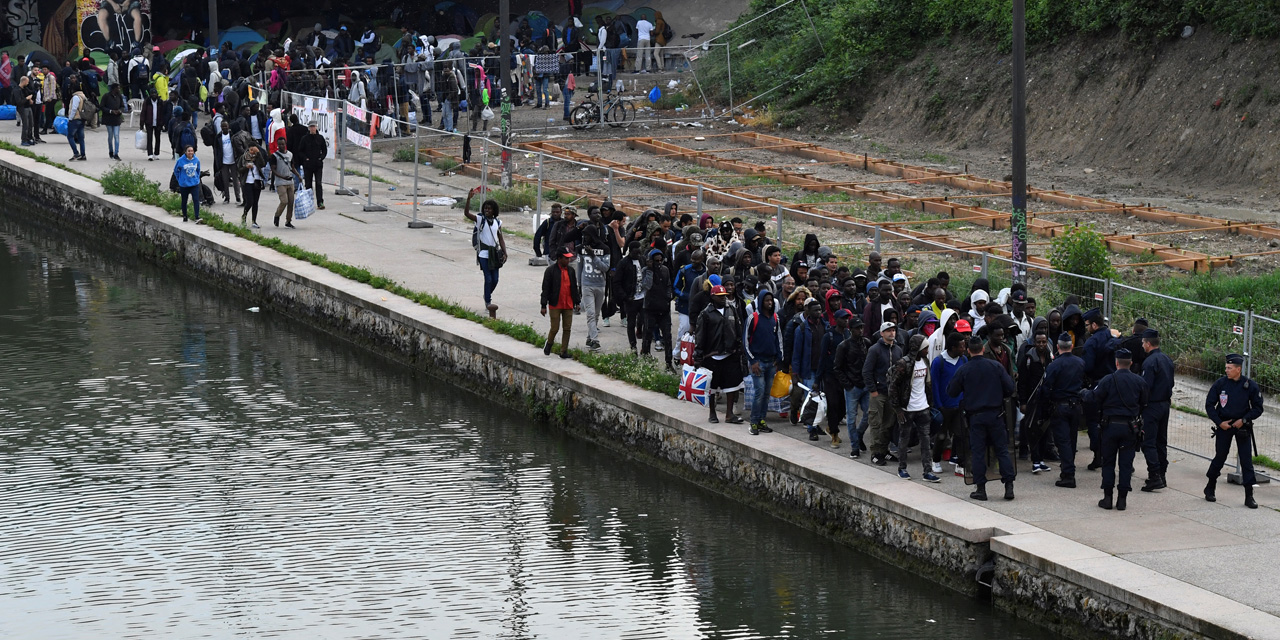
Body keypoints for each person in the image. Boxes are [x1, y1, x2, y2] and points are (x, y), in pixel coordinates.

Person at [947, 336, 1016, 501]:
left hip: (976, 417)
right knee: (1002, 450)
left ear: (969, 351)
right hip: (996, 414)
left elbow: (951, 391)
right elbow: (1010, 388)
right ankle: (1009, 486)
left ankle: (980, 488)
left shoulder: (964, 369)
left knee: (977, 452)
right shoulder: (996, 366)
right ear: (983, 349)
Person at [1084, 349, 1148, 511]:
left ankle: (1107, 498)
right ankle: (1122, 500)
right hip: (1129, 428)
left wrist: (1083, 393)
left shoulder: (1107, 380)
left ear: (1116, 362)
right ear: (1131, 363)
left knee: (1108, 463)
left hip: (1110, 427)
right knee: (1126, 465)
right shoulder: (1139, 381)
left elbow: (1094, 398)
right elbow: (1143, 403)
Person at [1204, 353, 1265, 508]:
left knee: (1246, 461)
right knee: (1220, 457)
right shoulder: (1220, 384)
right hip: (1224, 426)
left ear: (1238, 369)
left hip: (1242, 427)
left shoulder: (1249, 385)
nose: (1227, 370)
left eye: (1230, 368)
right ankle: (1210, 486)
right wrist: (1219, 422)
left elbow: (1258, 408)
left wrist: (1243, 420)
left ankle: (1249, 495)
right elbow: (1209, 405)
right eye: (1226, 367)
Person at [888, 334, 938, 482]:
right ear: (918, 348)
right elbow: (893, 386)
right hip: (907, 408)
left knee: (926, 440)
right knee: (904, 439)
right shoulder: (904, 364)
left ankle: (927, 471)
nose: (928, 350)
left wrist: (930, 403)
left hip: (923, 406)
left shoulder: (925, 361)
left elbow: (927, 384)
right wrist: (897, 409)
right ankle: (902, 468)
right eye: (925, 348)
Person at [1042, 332, 1087, 488]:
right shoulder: (1080, 363)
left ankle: (1068, 474)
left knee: (1063, 441)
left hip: (1060, 406)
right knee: (1072, 440)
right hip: (1076, 406)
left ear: (1057, 347)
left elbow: (1046, 387)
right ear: (1072, 347)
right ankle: (1068, 468)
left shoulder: (1054, 365)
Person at [696, 284, 745, 424]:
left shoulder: (732, 310)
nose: (723, 299)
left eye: (724, 296)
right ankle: (712, 412)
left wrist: (739, 346)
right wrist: (698, 356)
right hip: (712, 355)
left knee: (732, 385)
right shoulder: (706, 313)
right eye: (719, 297)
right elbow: (700, 336)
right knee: (712, 386)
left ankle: (729, 414)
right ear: (712, 297)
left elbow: (738, 328)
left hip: (730, 353)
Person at [743, 289, 783, 435]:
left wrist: (779, 358)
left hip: (771, 363)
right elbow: (745, 341)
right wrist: (752, 360)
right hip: (758, 362)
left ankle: (761, 420)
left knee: (767, 393)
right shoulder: (753, 318)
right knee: (759, 392)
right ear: (761, 301)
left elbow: (779, 339)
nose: (769, 303)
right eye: (766, 300)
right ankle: (753, 422)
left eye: (771, 300)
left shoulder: (775, 318)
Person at [1139, 329, 1174, 492]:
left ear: (1148, 343)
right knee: (1161, 442)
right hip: (1164, 405)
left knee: (1149, 442)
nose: (1142, 346)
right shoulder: (1167, 359)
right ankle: (1162, 474)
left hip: (1152, 407)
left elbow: (1146, 387)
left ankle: (1154, 476)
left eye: (1143, 343)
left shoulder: (1150, 362)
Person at [863, 320, 903, 464]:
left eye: (893, 330)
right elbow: (867, 371)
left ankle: (884, 450)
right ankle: (875, 452)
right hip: (878, 393)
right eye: (888, 331)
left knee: (888, 424)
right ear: (881, 333)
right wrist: (873, 390)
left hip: (892, 394)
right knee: (876, 423)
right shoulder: (875, 349)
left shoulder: (898, 349)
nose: (891, 333)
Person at [930, 331, 968, 476]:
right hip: (944, 406)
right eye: (961, 347)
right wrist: (939, 406)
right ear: (952, 348)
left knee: (960, 434)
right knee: (941, 435)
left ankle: (959, 462)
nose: (964, 349)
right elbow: (934, 385)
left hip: (959, 405)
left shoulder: (963, 360)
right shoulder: (938, 362)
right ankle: (936, 460)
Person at [463, 193, 506, 314]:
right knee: (488, 278)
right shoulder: (480, 219)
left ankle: (486, 294)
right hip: (483, 254)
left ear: (494, 210)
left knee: (495, 279)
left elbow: (501, 238)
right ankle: (488, 301)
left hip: (495, 254)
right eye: (485, 208)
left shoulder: (498, 222)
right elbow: (466, 214)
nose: (487, 210)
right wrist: (468, 200)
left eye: (489, 208)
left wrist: (505, 252)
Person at [834, 316, 870, 458]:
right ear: (851, 330)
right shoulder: (844, 346)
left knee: (869, 415)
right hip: (852, 386)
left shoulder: (866, 343)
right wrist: (848, 385)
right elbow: (837, 368)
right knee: (851, 418)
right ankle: (854, 446)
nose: (860, 330)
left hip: (865, 385)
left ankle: (858, 435)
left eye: (861, 327)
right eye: (857, 328)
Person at [792, 299, 826, 440]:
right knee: (812, 398)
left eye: (820, 309)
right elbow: (797, 352)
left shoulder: (825, 326)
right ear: (808, 312)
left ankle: (816, 424)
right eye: (815, 310)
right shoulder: (801, 329)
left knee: (822, 399)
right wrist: (795, 373)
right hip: (809, 369)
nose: (818, 312)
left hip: (822, 369)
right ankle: (811, 428)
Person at [819, 309, 853, 448]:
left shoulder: (848, 334)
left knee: (843, 406)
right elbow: (822, 357)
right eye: (843, 318)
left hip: (844, 376)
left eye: (847, 318)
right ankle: (834, 434)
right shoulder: (829, 336)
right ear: (836, 319)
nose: (846, 321)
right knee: (833, 405)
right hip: (830, 376)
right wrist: (817, 379)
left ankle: (831, 426)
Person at [540, 247, 580, 359]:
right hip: (555, 304)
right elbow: (545, 289)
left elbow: (574, 288)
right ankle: (549, 343)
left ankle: (564, 351)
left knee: (567, 328)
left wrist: (577, 302)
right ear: (559, 258)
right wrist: (543, 305)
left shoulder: (571, 271)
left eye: (569, 258)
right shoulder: (550, 271)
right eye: (565, 258)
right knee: (555, 328)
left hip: (568, 304)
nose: (568, 261)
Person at [641, 249, 673, 366]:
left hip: (664, 308)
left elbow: (669, 285)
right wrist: (650, 270)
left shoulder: (665, 270)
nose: (659, 263)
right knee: (647, 336)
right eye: (656, 261)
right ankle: (645, 358)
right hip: (650, 308)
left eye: (661, 260)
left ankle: (669, 363)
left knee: (667, 337)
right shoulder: (645, 270)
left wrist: (668, 297)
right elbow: (647, 286)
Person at [580, 237, 610, 351]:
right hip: (587, 285)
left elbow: (605, 268)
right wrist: (579, 285)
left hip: (600, 285)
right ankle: (595, 340)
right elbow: (579, 268)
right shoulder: (581, 249)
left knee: (596, 313)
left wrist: (593, 256)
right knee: (591, 313)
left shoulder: (605, 249)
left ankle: (589, 337)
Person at [297, 122, 328, 210]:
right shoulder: (304, 139)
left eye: (314, 127)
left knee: (318, 183)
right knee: (308, 184)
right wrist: (305, 158)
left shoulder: (320, 138)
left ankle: (320, 202)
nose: (313, 128)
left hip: (318, 165)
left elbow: (324, 150)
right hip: (308, 165)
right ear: (309, 128)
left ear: (316, 127)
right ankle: (309, 202)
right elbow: (300, 151)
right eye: (311, 127)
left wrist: (321, 158)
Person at [269, 138, 298, 228]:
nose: (281, 146)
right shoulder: (274, 156)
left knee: (291, 202)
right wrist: (282, 177)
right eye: (279, 144)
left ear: (285, 144)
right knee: (284, 201)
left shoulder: (290, 154)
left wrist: (298, 176)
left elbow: (292, 167)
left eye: (283, 144)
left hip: (290, 181)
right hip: (280, 182)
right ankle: (277, 215)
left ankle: (288, 221)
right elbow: (273, 170)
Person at [239, 145, 267, 228]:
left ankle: (254, 221)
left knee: (255, 202)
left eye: (254, 150)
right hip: (247, 182)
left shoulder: (257, 157)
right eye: (251, 150)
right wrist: (246, 167)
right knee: (249, 201)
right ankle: (244, 216)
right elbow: (239, 169)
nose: (252, 152)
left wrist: (258, 153)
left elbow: (263, 164)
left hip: (256, 181)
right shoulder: (243, 157)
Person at [173, 145, 202, 223]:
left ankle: (197, 216)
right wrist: (180, 179)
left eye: (192, 151)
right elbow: (176, 170)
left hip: (194, 183)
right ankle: (185, 215)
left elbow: (198, 170)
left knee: (196, 200)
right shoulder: (180, 160)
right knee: (184, 200)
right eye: (189, 151)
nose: (190, 152)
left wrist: (196, 178)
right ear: (185, 152)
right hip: (184, 184)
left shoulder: (196, 160)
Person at [215, 120, 242, 204]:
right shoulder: (218, 137)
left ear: (228, 127)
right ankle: (227, 197)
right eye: (222, 126)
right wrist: (217, 161)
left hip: (233, 161)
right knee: (225, 180)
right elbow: (216, 150)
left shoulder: (233, 135)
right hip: (224, 162)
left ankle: (238, 197)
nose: (224, 128)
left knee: (235, 180)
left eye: (226, 126)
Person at [141, 88, 167, 160]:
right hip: (149, 122)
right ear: (150, 94)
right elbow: (143, 112)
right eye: (152, 93)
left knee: (158, 138)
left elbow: (163, 113)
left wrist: (163, 123)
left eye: (155, 93)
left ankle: (156, 153)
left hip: (158, 123)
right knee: (149, 138)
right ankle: (150, 154)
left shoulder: (160, 102)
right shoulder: (147, 102)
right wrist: (142, 123)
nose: (154, 95)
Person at [100, 83, 124, 160]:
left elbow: (122, 106)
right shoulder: (106, 96)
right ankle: (111, 151)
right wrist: (110, 111)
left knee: (116, 135)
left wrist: (120, 111)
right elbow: (102, 107)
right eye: (118, 88)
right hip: (108, 119)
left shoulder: (119, 96)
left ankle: (116, 153)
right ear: (114, 89)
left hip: (117, 119)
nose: (119, 89)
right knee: (110, 136)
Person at [65, 79, 87, 161]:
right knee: (81, 138)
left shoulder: (76, 97)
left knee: (70, 136)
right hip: (82, 118)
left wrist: (70, 118)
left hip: (75, 119)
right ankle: (83, 154)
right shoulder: (84, 96)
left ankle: (76, 153)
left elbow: (74, 109)